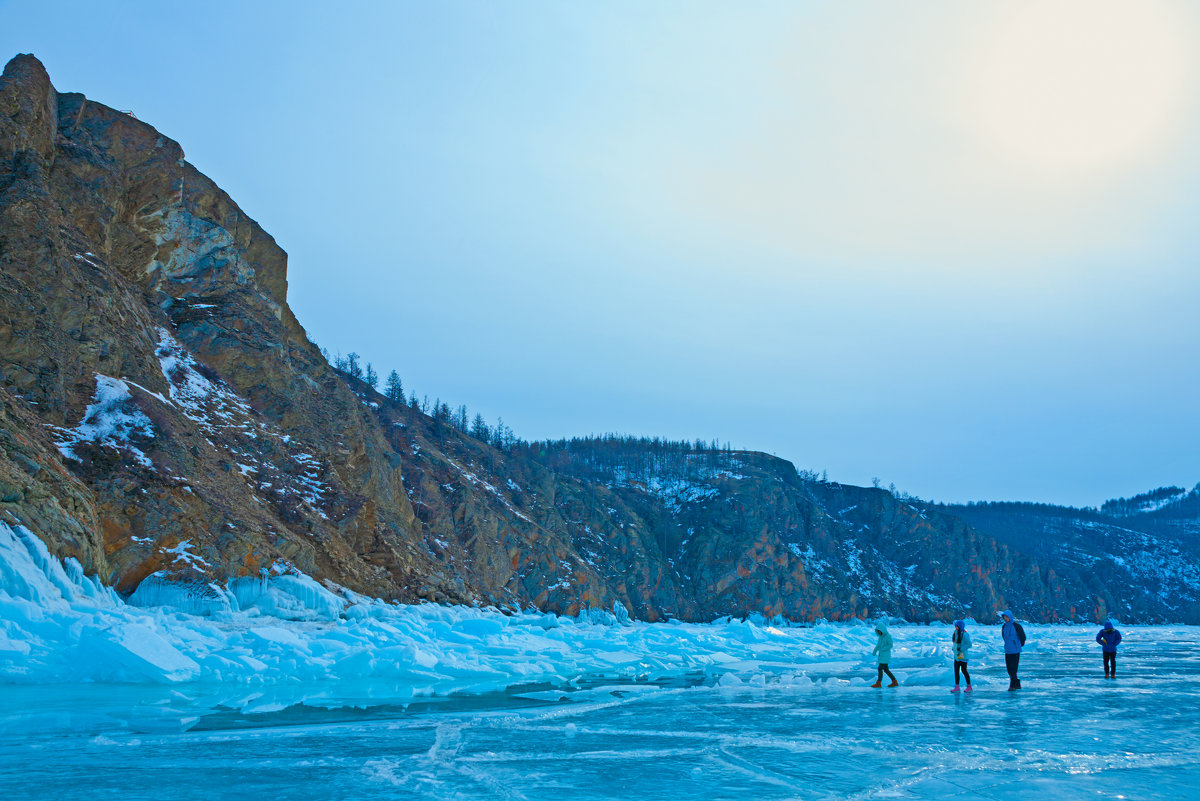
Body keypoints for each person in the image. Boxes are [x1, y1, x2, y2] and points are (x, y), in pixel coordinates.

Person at [1000, 610, 1026, 690]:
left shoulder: (1016, 626)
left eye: (1007, 617)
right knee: (1009, 669)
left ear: (1010, 617)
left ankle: (1012, 685)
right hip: (1008, 650)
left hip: (1015, 650)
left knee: (1013, 669)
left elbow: (1023, 636)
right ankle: (1017, 683)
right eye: (1004, 617)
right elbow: (1004, 637)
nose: (1005, 618)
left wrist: (1018, 645)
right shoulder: (1004, 626)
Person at [870, 621, 899, 688]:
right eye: (877, 631)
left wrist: (883, 649)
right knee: (886, 669)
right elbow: (878, 645)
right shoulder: (880, 637)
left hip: (885, 655)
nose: (879, 632)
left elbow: (890, 645)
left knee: (880, 668)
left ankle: (878, 683)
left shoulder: (888, 636)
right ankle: (894, 682)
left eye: (879, 631)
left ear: (882, 630)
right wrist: (875, 651)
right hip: (881, 655)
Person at [951, 620, 972, 693]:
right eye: (955, 626)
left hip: (962, 655)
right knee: (956, 670)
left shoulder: (965, 634)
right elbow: (955, 643)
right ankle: (957, 686)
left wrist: (961, 649)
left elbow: (969, 644)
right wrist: (954, 649)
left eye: (957, 626)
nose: (956, 627)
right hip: (957, 654)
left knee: (964, 670)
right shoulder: (955, 633)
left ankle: (969, 686)